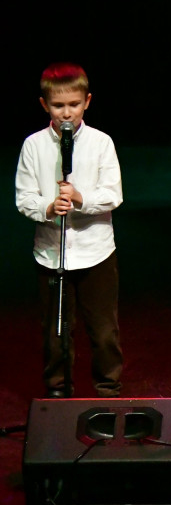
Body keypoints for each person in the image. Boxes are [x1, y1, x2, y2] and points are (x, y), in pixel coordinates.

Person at [15, 62, 124, 398]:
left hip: (96, 252)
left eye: (74, 105)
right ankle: (58, 393)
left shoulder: (101, 142)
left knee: (104, 331)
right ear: (44, 105)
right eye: (58, 106)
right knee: (56, 331)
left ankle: (108, 390)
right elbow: (24, 198)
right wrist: (48, 208)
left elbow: (113, 194)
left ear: (87, 102)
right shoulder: (33, 145)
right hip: (52, 253)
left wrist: (80, 198)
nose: (66, 113)